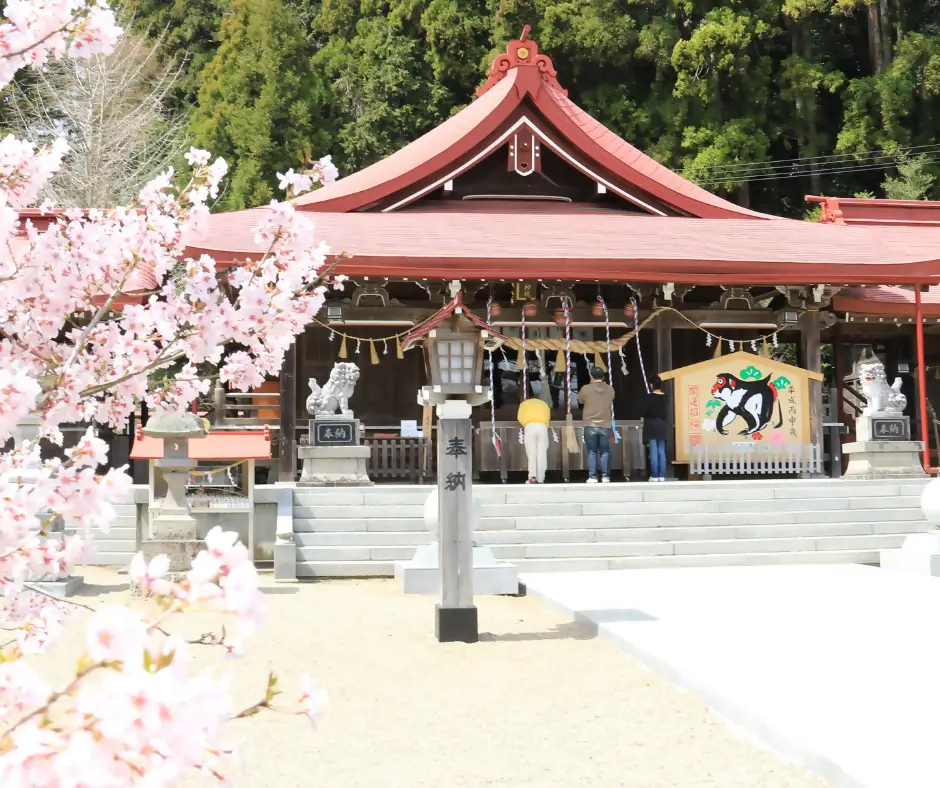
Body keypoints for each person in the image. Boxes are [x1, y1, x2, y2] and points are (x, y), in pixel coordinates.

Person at [578, 366, 615, 483]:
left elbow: (580, 400)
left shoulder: (586, 389)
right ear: (603, 377)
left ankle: (593, 476)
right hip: (605, 424)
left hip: (590, 423)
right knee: (605, 452)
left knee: (592, 451)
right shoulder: (610, 389)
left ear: (591, 377)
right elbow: (612, 399)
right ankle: (605, 476)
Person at [517, 395, 551, 484]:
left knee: (531, 453)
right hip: (542, 427)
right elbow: (548, 417)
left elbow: (520, 417)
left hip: (530, 426)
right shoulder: (544, 404)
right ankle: (541, 478)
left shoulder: (524, 403)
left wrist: (526, 424)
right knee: (542, 453)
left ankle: (532, 477)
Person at [643, 375, 669, 482]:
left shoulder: (649, 397)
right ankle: (662, 475)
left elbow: (645, 411)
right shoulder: (666, 396)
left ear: (652, 385)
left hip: (651, 423)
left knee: (653, 450)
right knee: (661, 450)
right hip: (662, 423)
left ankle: (654, 475)